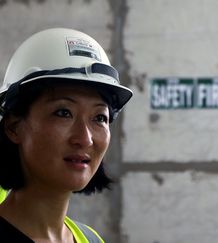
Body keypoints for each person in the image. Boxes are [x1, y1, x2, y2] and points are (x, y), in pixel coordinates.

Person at [0, 28, 132, 242]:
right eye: (63, 113)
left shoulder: (90, 238)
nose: (85, 138)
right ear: (14, 127)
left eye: (99, 118)